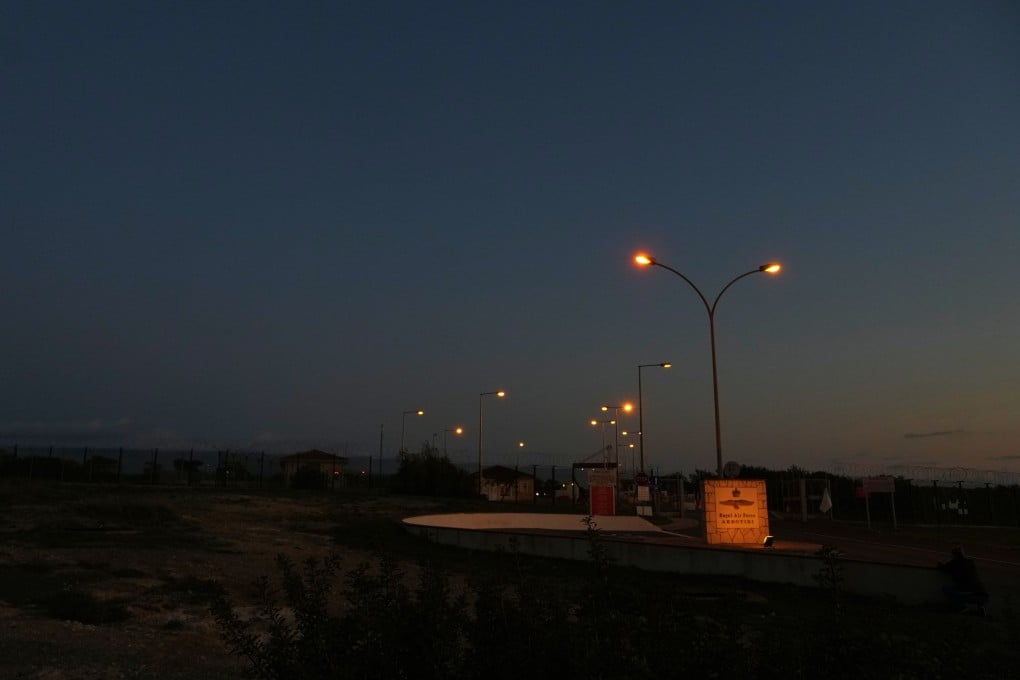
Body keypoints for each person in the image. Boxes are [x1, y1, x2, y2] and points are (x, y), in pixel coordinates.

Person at [937, 547, 988, 615]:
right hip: (980, 591)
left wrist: (939, 564)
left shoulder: (954, 563)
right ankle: (980, 607)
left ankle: (962, 607)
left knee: (946, 589)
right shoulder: (970, 562)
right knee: (974, 590)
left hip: (966, 590)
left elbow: (944, 568)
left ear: (954, 555)